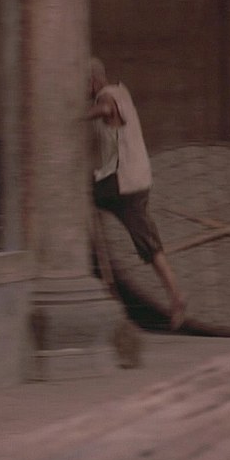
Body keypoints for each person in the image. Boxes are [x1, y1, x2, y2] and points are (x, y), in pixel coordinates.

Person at [85, 57, 187, 330]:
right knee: (149, 245)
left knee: (76, 197)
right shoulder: (122, 91)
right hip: (138, 180)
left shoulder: (106, 95)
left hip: (122, 181)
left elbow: (107, 109)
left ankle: (100, 282)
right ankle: (176, 295)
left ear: (92, 81)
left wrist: (75, 117)